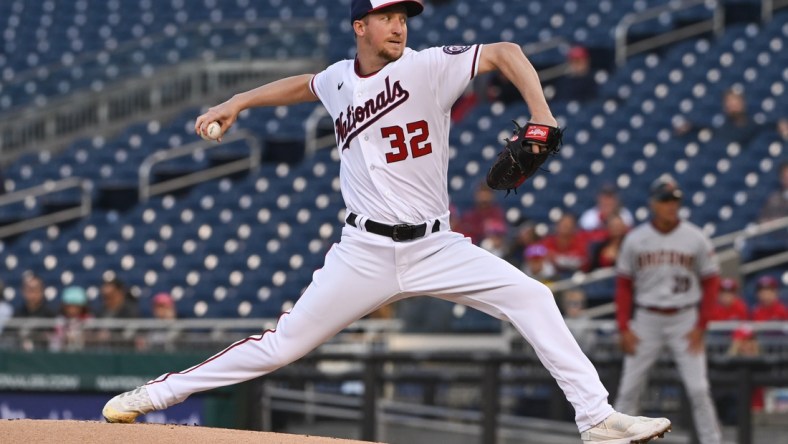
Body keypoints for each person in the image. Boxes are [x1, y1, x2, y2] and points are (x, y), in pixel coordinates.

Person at [102, 2, 671, 442]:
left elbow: (505, 51)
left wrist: (542, 114)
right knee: (283, 345)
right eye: (386, 17)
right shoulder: (339, 80)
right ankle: (156, 395)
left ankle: (595, 419)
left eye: (402, 17)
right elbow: (305, 85)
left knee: (533, 298)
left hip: (435, 245)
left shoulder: (428, 66)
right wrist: (239, 102)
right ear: (360, 27)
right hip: (363, 252)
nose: (399, 26)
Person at [614, 175, 722, 444]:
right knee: (629, 389)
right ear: (653, 203)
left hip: (684, 319)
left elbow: (711, 283)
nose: (670, 205)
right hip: (646, 319)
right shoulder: (636, 239)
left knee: (699, 389)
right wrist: (624, 327)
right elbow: (623, 286)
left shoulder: (695, 238)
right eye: (664, 200)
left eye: (674, 200)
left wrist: (701, 326)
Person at [542, 212, 589, 277]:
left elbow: (582, 263)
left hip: (575, 276)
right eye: (563, 223)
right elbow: (543, 259)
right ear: (557, 225)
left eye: (568, 223)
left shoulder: (580, 241)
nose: (565, 225)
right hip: (552, 277)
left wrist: (557, 259)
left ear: (574, 227)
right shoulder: (548, 241)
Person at [49, 286, 92, 352]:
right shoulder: (60, 320)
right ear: (64, 306)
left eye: (76, 306)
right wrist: (65, 338)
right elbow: (55, 343)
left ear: (82, 307)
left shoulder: (88, 319)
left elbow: (90, 339)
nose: (72, 309)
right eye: (70, 306)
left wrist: (79, 338)